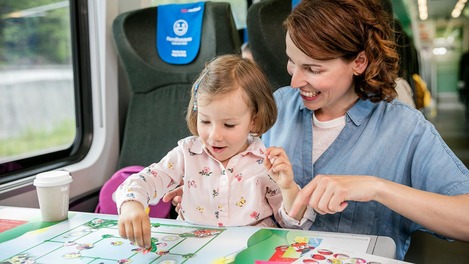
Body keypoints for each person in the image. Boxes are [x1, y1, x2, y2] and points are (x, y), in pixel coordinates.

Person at [259, 0, 469, 260]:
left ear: (359, 62)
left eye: (313, 69)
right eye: (292, 62)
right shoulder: (277, 106)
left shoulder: (404, 128)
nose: (295, 81)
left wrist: (376, 188)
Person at [116, 54, 312, 250]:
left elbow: (291, 225)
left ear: (253, 120)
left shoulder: (266, 163)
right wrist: (132, 204)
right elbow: (148, 179)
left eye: (229, 124)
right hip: (193, 249)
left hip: (250, 250)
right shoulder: (187, 153)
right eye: (205, 121)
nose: (214, 136)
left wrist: (287, 187)